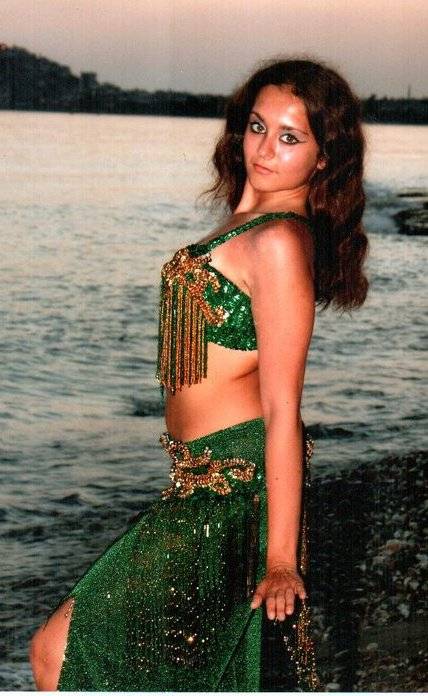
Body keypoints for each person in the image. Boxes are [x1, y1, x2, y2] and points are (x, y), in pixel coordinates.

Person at [29, 57, 369, 691]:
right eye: (258, 127)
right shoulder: (245, 225)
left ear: (324, 158)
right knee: (182, 671)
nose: (264, 149)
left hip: (234, 486)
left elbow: (284, 409)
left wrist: (280, 560)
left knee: (57, 651)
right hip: (199, 480)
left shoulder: (278, 243)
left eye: (290, 138)